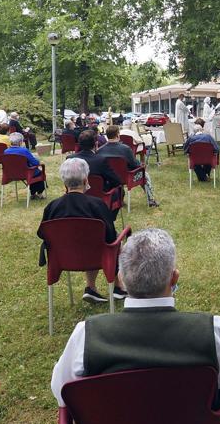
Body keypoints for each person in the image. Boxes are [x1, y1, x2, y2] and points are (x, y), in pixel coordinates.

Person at [49, 227, 220, 424]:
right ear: (174, 277)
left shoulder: (87, 335)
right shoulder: (210, 331)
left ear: (120, 279)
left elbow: (61, 391)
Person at [39, 158, 126, 303]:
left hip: (63, 258)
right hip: (96, 256)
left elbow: (43, 234)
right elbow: (110, 237)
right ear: (86, 180)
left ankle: (91, 288)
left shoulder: (52, 207)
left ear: (64, 182)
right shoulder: (97, 205)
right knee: (116, 242)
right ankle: (118, 285)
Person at [99, 125, 158, 207]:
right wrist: (141, 165)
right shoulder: (125, 149)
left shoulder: (100, 150)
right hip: (127, 178)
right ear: (118, 135)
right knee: (145, 175)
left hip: (109, 179)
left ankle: (119, 200)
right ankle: (151, 199)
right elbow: (135, 165)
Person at [68, 130, 122, 217]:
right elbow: (116, 181)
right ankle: (109, 218)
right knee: (120, 190)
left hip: (74, 195)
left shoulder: (70, 159)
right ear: (96, 144)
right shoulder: (100, 160)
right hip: (99, 196)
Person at [1, 132, 47, 200]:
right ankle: (38, 193)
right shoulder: (24, 150)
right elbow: (35, 163)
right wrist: (38, 161)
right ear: (20, 142)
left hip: (11, 174)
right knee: (39, 173)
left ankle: (33, 193)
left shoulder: (6, 151)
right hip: (25, 173)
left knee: (35, 172)